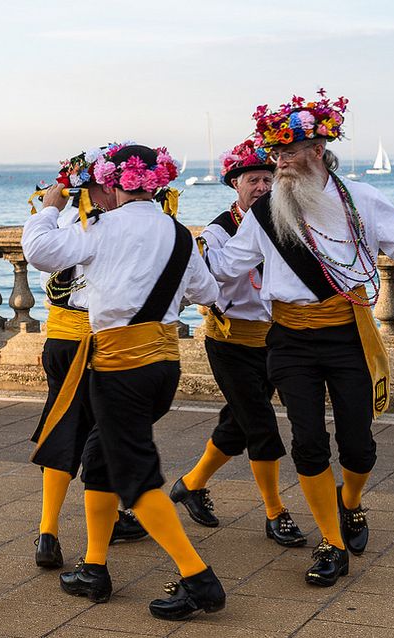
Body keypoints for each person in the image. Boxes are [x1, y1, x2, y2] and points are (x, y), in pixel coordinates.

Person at [204, 91, 394, 587]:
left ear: (318, 149)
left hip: (349, 336)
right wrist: (166, 251)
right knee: (307, 443)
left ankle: (350, 504)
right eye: (274, 153)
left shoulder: (361, 199)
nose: (278, 162)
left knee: (359, 447)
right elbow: (221, 268)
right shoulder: (264, 214)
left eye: (288, 151)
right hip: (288, 340)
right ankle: (331, 540)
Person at [22, 144, 226, 620]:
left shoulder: (103, 228)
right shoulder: (178, 232)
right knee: (99, 459)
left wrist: (52, 204)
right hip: (163, 365)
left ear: (114, 184)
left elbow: (39, 252)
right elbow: (208, 291)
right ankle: (93, 566)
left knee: (135, 475)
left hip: (120, 366)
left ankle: (199, 579)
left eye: (98, 187)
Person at [171, 140, 305, 548]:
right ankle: (275, 512)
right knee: (261, 425)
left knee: (237, 426)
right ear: (236, 185)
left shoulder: (287, 221)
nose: (263, 186)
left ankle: (190, 485)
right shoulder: (217, 231)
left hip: (275, 338)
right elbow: (210, 279)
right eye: (253, 180)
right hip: (230, 341)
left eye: (269, 178)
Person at [30, 145, 147, 571]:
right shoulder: (104, 225)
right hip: (99, 342)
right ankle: (104, 525)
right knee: (105, 433)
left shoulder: (61, 219)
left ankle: (49, 531)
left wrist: (48, 206)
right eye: (112, 184)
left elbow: (42, 255)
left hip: (60, 338)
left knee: (63, 426)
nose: (116, 191)